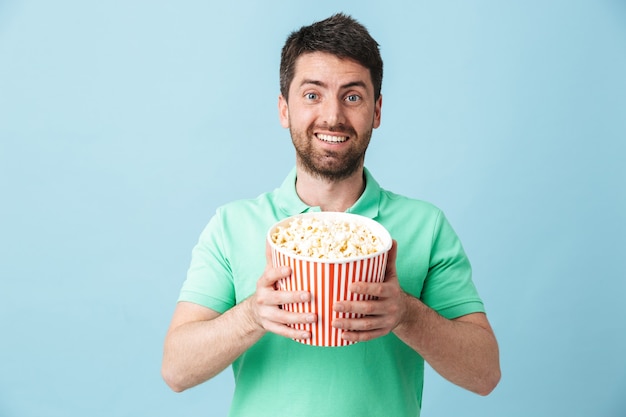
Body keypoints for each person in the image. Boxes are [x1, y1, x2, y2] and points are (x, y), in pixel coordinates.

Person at [162, 13, 500, 416]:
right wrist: (253, 314)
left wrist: (406, 314)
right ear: (284, 109)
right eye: (312, 94)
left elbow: (484, 373)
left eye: (352, 96)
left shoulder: (425, 227)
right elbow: (176, 370)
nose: (333, 116)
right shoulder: (232, 226)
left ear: (376, 111)